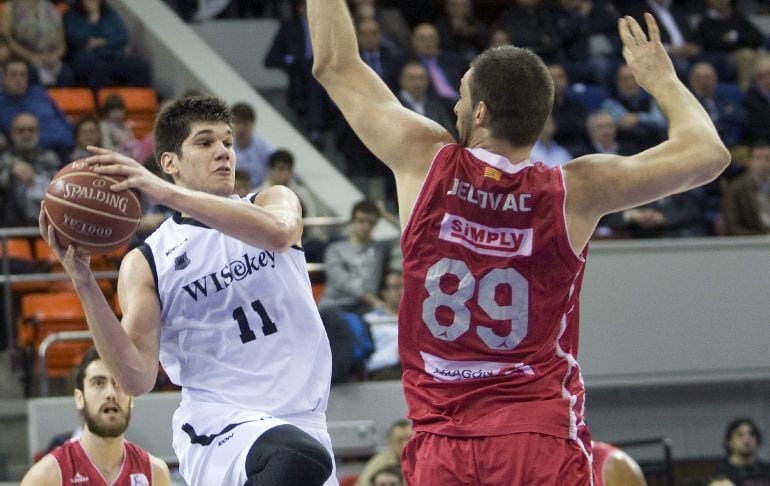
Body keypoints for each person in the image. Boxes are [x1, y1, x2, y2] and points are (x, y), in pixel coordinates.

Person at [308, 3, 730, 483]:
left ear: (482, 112)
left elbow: (334, 64)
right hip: (536, 437)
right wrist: (663, 80)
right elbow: (708, 154)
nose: (455, 106)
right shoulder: (577, 189)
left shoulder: (425, 159)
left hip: (442, 441)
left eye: (462, 96)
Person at [38, 96, 336, 485]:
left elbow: (279, 233)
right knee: (296, 455)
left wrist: (163, 193)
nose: (223, 153)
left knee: (302, 456)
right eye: (205, 142)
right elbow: (136, 378)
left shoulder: (271, 200)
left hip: (306, 422)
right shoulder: (147, 261)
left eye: (227, 143)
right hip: (221, 427)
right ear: (169, 163)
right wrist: (84, 282)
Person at [20, 347, 171, 486]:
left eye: (118, 383)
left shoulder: (154, 473)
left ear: (131, 398)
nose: (110, 393)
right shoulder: (45, 477)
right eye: (99, 383)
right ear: (79, 398)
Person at [62, 0, 152, 92]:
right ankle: (104, 103)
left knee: (139, 66)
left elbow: (122, 36)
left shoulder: (109, 14)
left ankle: (139, 102)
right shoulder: (70, 15)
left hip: (110, 55)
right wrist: (93, 19)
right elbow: (75, 37)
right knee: (97, 67)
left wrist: (103, 41)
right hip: (82, 57)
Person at [318, 199, 389, 313]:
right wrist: (373, 301)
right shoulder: (335, 249)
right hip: (335, 306)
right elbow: (342, 281)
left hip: (367, 309)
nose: (366, 226)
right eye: (361, 221)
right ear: (353, 221)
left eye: (371, 222)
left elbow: (405, 234)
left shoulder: (380, 248)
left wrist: (387, 217)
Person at [0, 57, 74, 157]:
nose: (18, 78)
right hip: (35, 156)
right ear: (3, 77)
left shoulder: (38, 92)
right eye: (13, 74)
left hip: (69, 148)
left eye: (23, 74)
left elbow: (62, 117)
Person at [0, 112, 61, 225]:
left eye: (31, 130)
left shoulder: (50, 157)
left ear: (38, 132)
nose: (27, 134)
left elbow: (57, 188)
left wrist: (34, 177)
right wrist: (10, 172)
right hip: (9, 225)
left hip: (45, 222)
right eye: (21, 130)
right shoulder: (3, 158)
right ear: (12, 133)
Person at [0, 0, 75, 87]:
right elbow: (7, 41)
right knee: (32, 73)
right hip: (21, 58)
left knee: (66, 74)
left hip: (50, 59)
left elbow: (62, 43)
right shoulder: (11, 7)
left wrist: (55, 56)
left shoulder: (52, 8)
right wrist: (31, 56)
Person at [722, 140, 770, 235]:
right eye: (758, 158)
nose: (763, 164)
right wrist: (761, 237)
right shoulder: (736, 189)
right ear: (749, 161)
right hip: (751, 243)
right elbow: (733, 226)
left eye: (768, 159)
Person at [362, 269, 403, 380]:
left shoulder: (416, 320)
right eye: (396, 287)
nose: (402, 291)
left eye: (404, 286)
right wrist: (395, 356)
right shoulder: (369, 321)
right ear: (383, 291)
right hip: (384, 372)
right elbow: (364, 364)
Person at [354, 420, 413, 486]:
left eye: (409, 439)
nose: (405, 444)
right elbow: (363, 484)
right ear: (390, 442)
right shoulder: (379, 461)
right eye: (399, 440)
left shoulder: (423, 461)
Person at [231, 101, 274, 188]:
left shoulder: (266, 149)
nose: (241, 128)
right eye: (237, 123)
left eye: (245, 124)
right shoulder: (225, 146)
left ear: (253, 124)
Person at [714, 418, 770, 482]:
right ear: (729, 442)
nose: (747, 439)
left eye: (751, 434)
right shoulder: (722, 475)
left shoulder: (767, 470)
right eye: (740, 435)